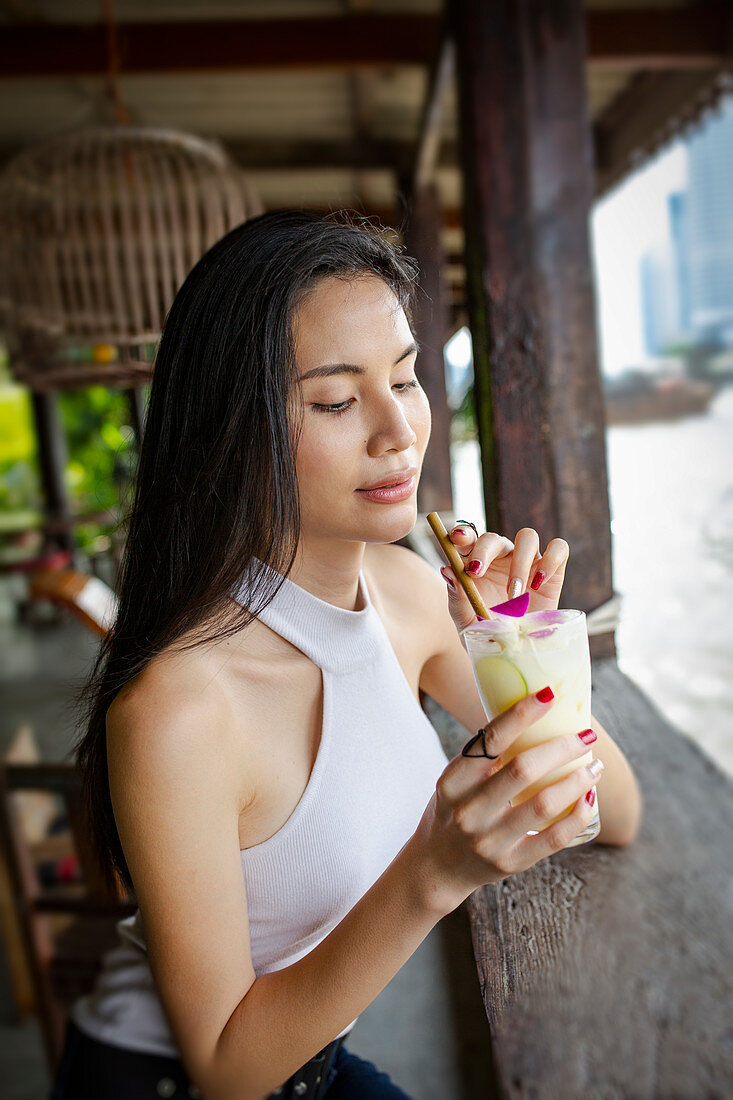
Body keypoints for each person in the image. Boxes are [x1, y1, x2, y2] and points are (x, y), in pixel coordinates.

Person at [50, 209, 641, 1100]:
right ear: (233, 429)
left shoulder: (406, 592)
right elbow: (226, 1070)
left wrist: (520, 638)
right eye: (334, 400)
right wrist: (431, 874)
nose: (397, 430)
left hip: (315, 1068)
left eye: (405, 379)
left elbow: (612, 811)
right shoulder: (179, 710)